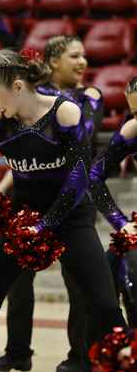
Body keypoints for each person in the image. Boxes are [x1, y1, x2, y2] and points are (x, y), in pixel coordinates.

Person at [0, 48, 127, 372]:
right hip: (21, 218)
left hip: (71, 219)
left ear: (18, 87)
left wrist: (46, 225)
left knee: (105, 306)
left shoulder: (65, 113)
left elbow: (79, 178)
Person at [0, 0, 105, 372]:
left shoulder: (89, 97)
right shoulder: (31, 97)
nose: (83, 62)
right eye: (74, 56)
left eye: (84, 56)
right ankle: (18, 352)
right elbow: (9, 45)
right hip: (31, 196)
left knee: (79, 282)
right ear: (52, 63)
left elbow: (80, 143)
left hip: (72, 197)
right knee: (18, 280)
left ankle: (80, 357)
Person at [89, 76, 137, 327]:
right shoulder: (132, 130)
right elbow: (93, 177)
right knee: (104, 276)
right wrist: (120, 222)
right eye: (136, 112)